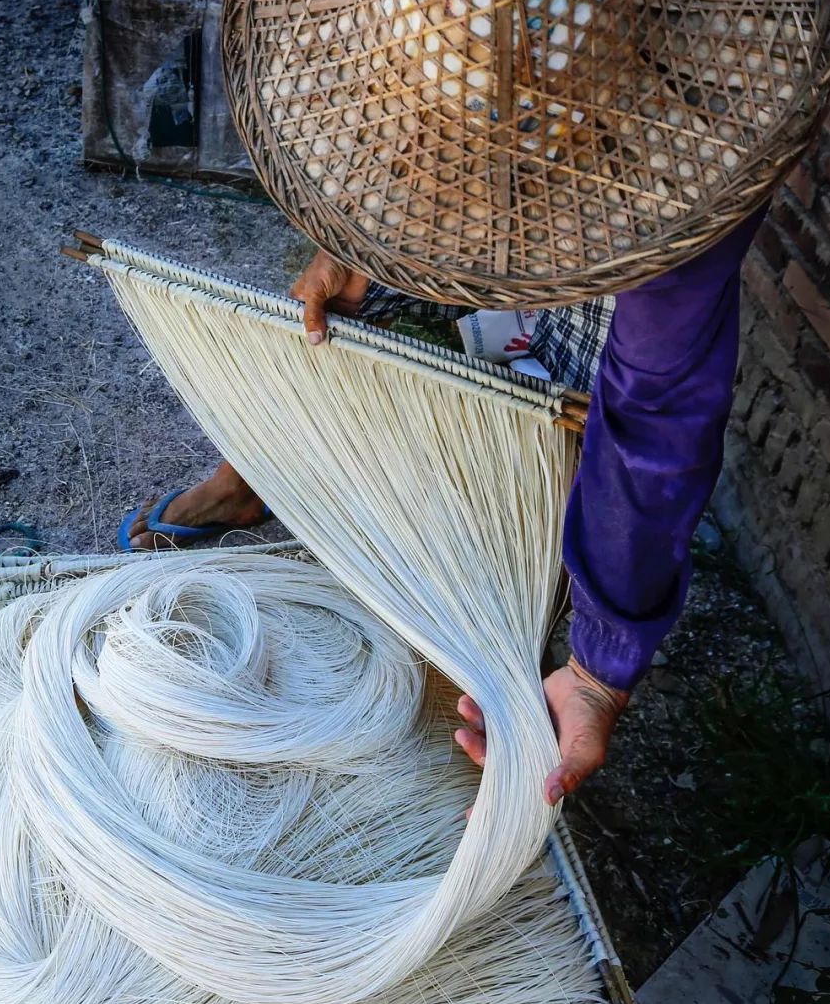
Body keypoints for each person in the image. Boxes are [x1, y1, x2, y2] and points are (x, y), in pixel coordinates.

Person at [121, 209, 765, 805]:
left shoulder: (681, 200)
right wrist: (349, 247)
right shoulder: (439, 126)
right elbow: (385, 177)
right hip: (475, 226)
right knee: (332, 306)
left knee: (545, 499)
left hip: (596, 297)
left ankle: (504, 666)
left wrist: (601, 671)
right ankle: (247, 480)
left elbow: (652, 429)